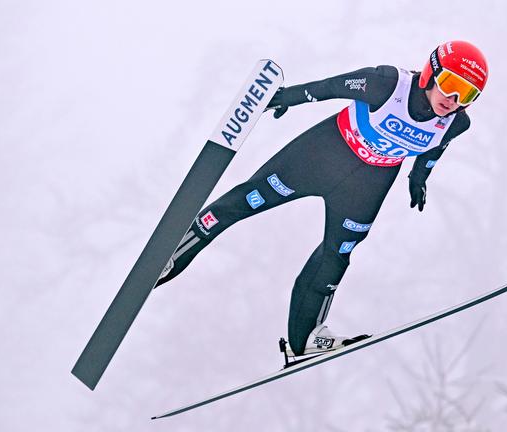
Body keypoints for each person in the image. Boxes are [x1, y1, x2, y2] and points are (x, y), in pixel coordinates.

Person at [156, 40, 489, 357]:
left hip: (367, 185)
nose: (453, 98)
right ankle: (169, 257)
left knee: (337, 255)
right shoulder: (387, 83)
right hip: (322, 156)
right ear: (431, 72)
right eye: (449, 83)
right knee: (248, 200)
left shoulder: (456, 122)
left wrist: (418, 178)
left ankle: (306, 340)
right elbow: (331, 87)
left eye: (467, 93)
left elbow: (436, 149)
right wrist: (284, 97)